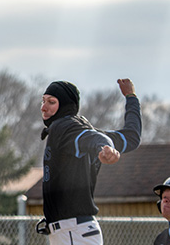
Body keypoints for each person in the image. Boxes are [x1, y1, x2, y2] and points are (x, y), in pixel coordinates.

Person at [36, 79, 139, 245]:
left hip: (73, 232)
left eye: (51, 102)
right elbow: (132, 136)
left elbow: (95, 139)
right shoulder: (76, 128)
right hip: (75, 231)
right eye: (43, 101)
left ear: (66, 106)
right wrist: (131, 97)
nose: (43, 107)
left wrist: (106, 148)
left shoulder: (65, 126)